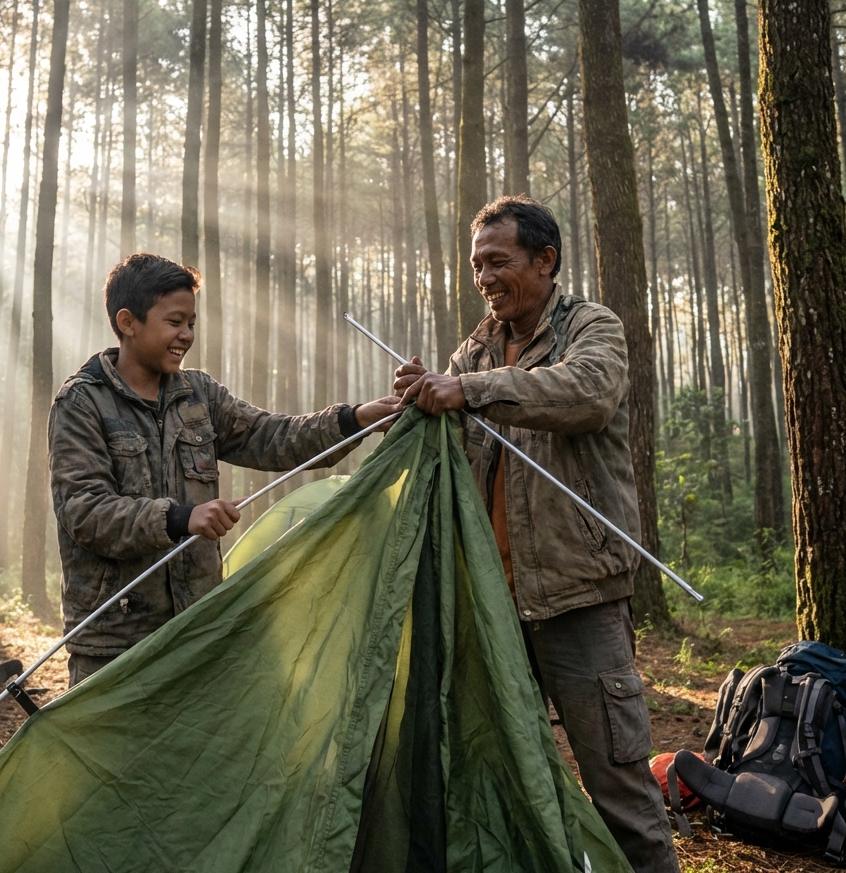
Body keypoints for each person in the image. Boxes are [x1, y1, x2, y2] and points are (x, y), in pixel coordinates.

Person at [393, 197, 679, 873]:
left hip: (579, 599)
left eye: (499, 262)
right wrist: (419, 400)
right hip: (498, 607)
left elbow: (587, 393)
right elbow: (454, 428)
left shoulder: (591, 327)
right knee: (503, 774)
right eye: (476, 266)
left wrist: (469, 389)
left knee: (618, 789)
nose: (485, 278)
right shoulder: (479, 345)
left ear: (544, 261)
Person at [49, 253, 398, 688]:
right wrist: (180, 517)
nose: (186, 335)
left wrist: (355, 419)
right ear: (127, 321)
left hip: (198, 628)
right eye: (175, 322)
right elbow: (85, 512)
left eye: (191, 323)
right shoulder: (82, 404)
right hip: (115, 642)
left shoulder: (199, 395)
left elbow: (273, 436)